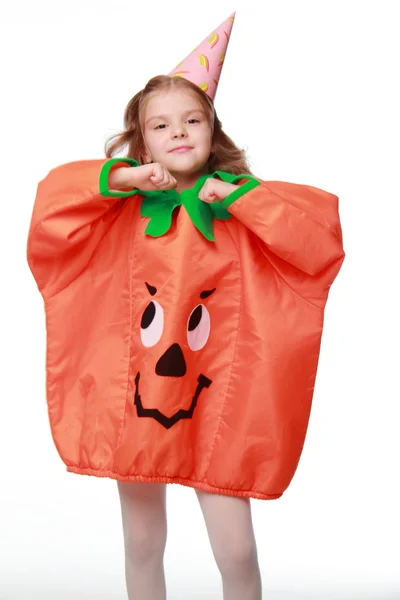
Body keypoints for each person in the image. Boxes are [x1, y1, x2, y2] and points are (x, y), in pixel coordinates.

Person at [26, 13, 345, 600]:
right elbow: (51, 211)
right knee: (143, 541)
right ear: (142, 140)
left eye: (192, 120)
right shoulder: (118, 210)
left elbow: (316, 243)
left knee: (236, 549)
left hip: (216, 401)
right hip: (139, 401)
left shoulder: (245, 207)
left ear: (212, 129)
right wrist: (121, 180)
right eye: (162, 125)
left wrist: (245, 200)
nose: (178, 133)